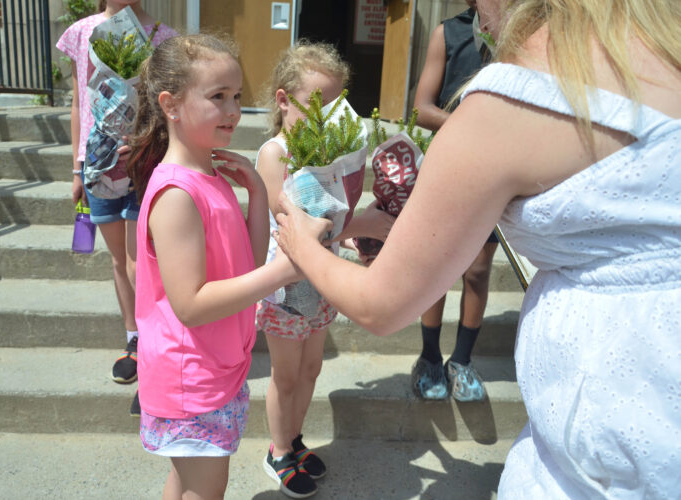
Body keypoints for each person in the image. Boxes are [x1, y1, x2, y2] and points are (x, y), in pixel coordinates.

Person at [274, 0, 681, 497]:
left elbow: (380, 304)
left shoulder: (511, 98)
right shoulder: (663, 43)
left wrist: (302, 242)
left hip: (605, 444)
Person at [125, 34, 302, 499]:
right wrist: (284, 271)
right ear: (171, 105)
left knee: (187, 482)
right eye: (218, 96)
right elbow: (191, 304)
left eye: (237, 96)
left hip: (214, 368)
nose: (233, 110)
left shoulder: (211, 177)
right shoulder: (177, 194)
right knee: (206, 489)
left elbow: (247, 261)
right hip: (191, 379)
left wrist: (257, 193)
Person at [255, 41, 395, 498]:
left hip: (321, 278)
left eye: (336, 103)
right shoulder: (275, 153)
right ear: (283, 99)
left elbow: (332, 220)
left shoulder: (331, 156)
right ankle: (278, 451)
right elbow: (292, 229)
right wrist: (361, 224)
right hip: (286, 287)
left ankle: (294, 439)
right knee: (286, 375)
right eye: (317, 101)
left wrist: (351, 235)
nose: (328, 114)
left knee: (312, 368)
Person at [56, 0, 178, 412]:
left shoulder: (164, 37)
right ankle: (134, 339)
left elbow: (168, 108)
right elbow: (79, 103)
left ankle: (156, 353)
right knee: (118, 261)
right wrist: (77, 167)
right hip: (98, 166)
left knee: (139, 262)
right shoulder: (82, 32)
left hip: (145, 162)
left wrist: (148, 144)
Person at [409, 0, 496, 402]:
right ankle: (429, 357)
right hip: (449, 165)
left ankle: (461, 360)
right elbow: (422, 109)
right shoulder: (449, 33)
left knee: (477, 269)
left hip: (496, 171)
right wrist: (469, 128)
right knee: (439, 266)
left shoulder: (527, 40)